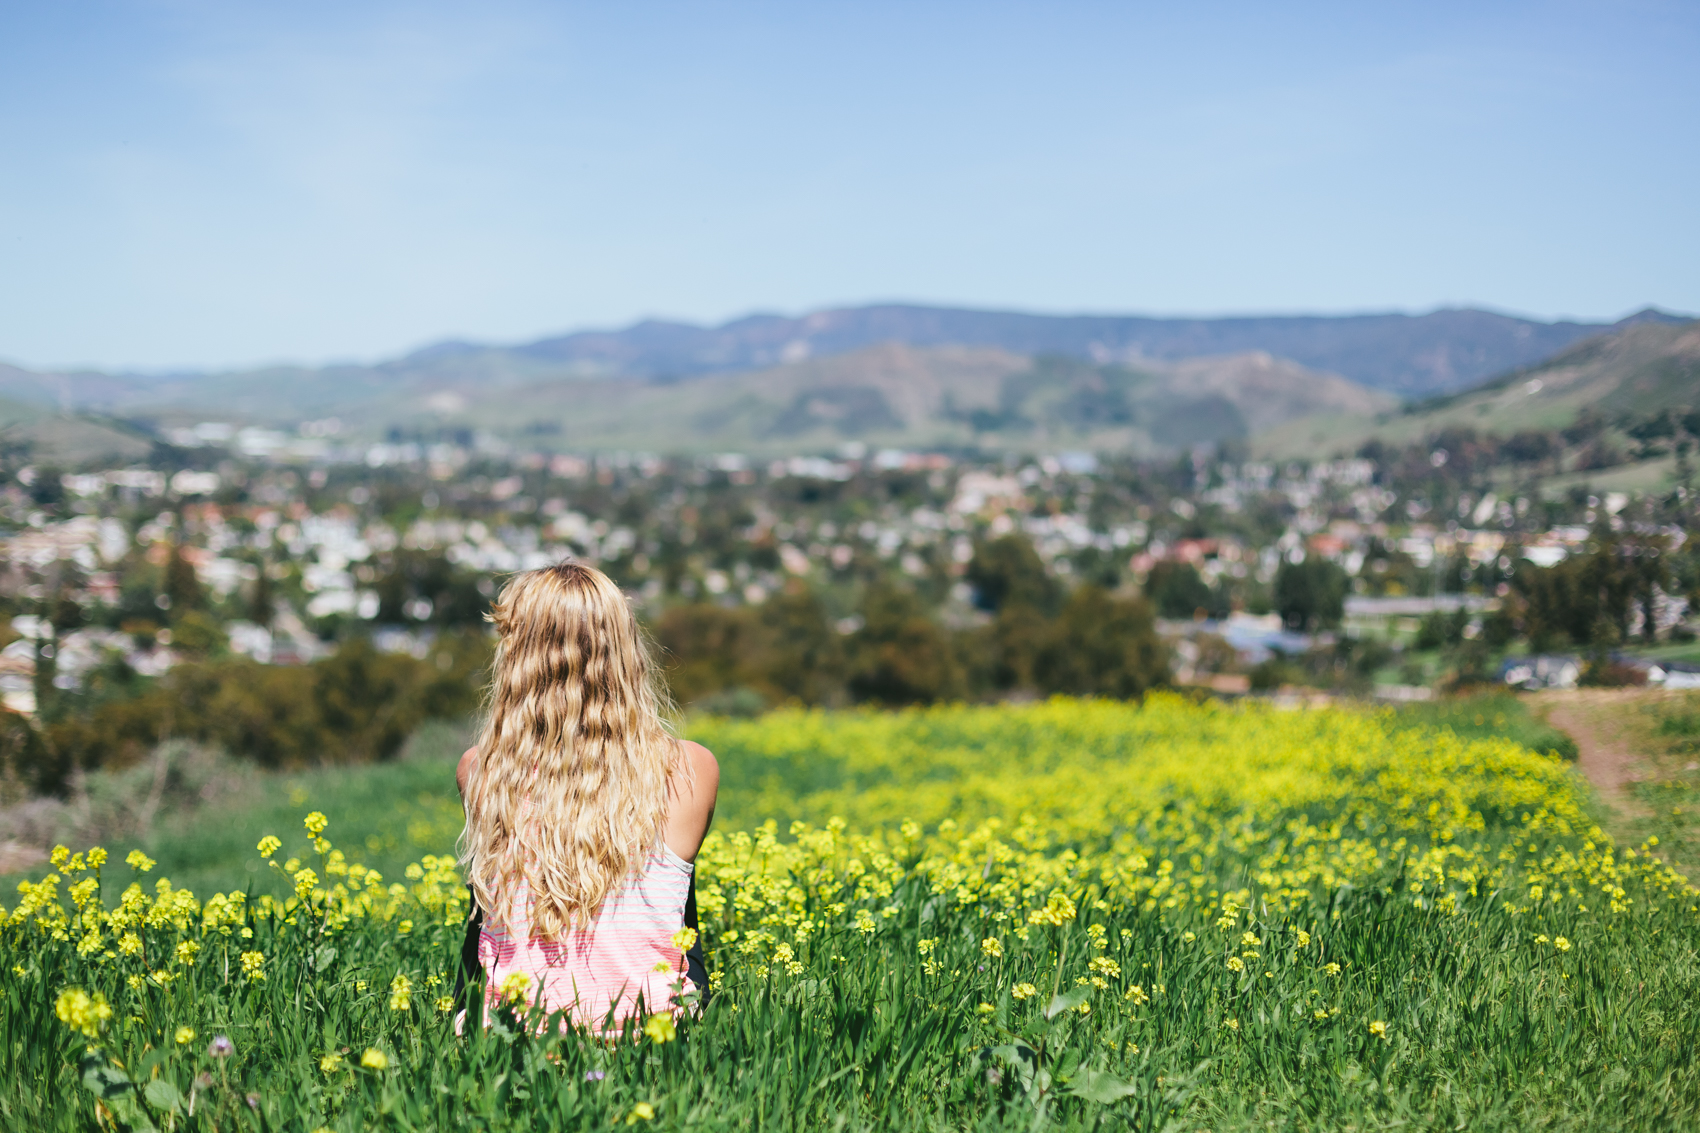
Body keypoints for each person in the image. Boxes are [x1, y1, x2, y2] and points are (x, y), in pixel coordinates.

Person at [455, 562, 719, 1030]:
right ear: (625, 650)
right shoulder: (690, 767)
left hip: (514, 1039)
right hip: (649, 1039)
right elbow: (677, 921)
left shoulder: (481, 769)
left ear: (517, 659)